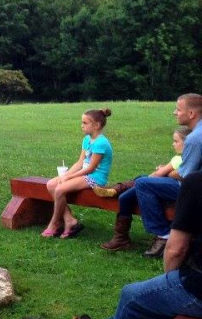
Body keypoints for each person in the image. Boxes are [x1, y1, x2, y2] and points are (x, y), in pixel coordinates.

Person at [108, 170, 202, 319]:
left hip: (197, 288)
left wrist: (169, 281)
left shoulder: (196, 182)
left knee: (130, 296)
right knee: (139, 183)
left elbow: (176, 250)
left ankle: (161, 232)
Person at [99, 126, 191, 251]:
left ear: (186, 143)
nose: (173, 144)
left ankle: (163, 234)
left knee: (142, 181)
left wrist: (161, 172)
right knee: (125, 198)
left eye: (176, 141)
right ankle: (121, 239)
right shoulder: (185, 157)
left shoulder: (179, 158)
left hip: (181, 189)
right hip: (174, 185)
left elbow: (156, 176)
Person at [133, 93, 202, 257]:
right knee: (141, 181)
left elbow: (186, 176)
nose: (174, 113)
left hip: (194, 192)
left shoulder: (194, 138)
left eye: (178, 109)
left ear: (191, 113)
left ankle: (163, 234)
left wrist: (167, 172)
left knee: (143, 183)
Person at [41, 108, 113, 239]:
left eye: (85, 123)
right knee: (51, 184)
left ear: (96, 125)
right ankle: (69, 220)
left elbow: (91, 168)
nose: (82, 125)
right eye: (82, 122)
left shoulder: (101, 143)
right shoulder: (87, 139)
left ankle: (54, 223)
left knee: (59, 190)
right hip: (84, 174)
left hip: (95, 177)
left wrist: (69, 177)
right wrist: (65, 175)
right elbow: (80, 162)